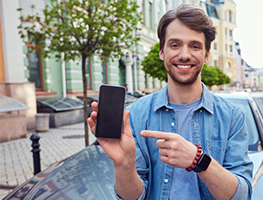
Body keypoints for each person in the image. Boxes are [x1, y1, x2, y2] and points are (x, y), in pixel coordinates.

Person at [88, 4, 253, 200]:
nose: (184, 55)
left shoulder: (232, 116)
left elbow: (241, 195)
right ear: (161, 52)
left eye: (195, 46)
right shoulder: (135, 115)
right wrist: (124, 163)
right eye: (175, 45)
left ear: (207, 55)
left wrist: (197, 160)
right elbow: (133, 197)